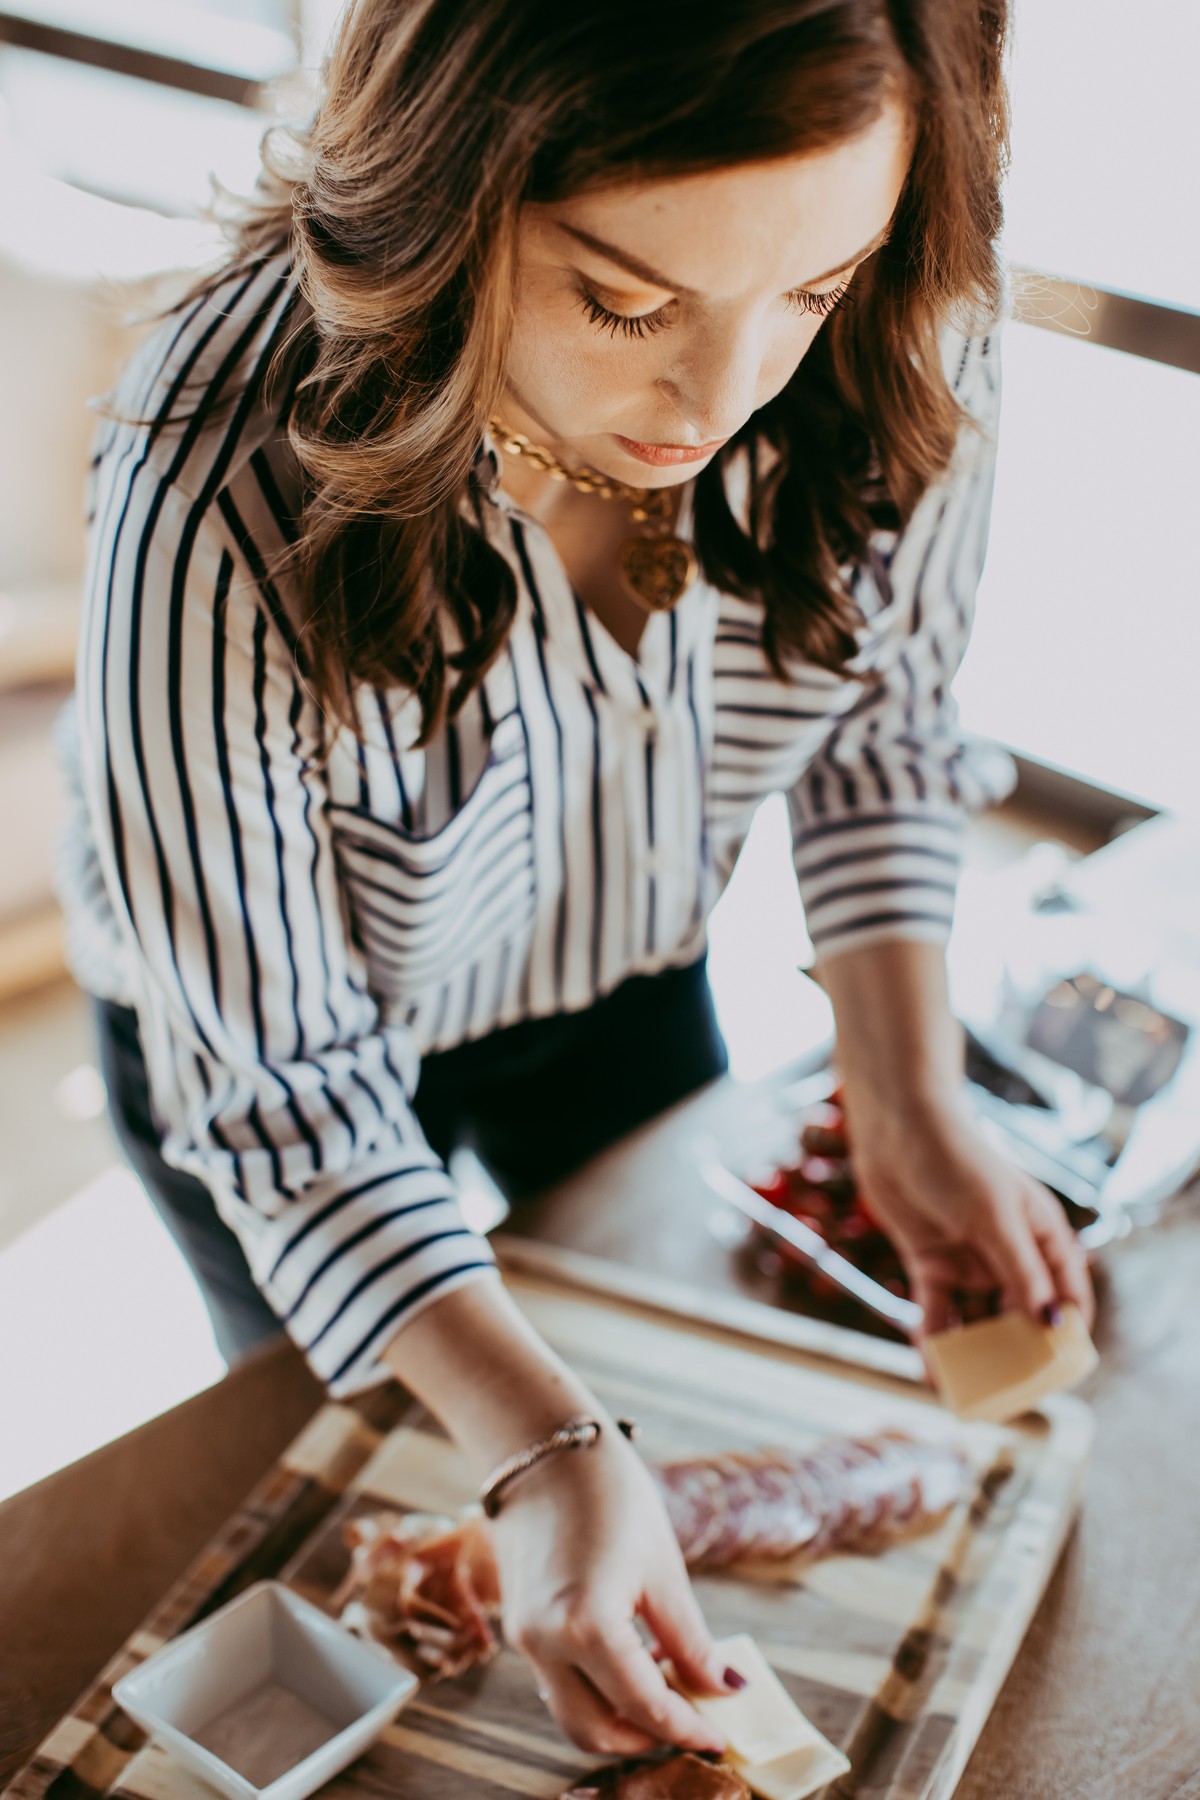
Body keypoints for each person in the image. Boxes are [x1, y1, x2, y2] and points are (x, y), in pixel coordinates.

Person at [59, 0, 1092, 1759]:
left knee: (664, 1388)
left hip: (617, 964)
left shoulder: (904, 313)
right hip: (267, 1057)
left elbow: (878, 724)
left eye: (813, 292)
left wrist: (906, 1089)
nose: (722, 395)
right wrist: (535, 1447)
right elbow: (290, 1092)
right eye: (626, 301)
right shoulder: (216, 480)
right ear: (446, 191)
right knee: (376, 1489)